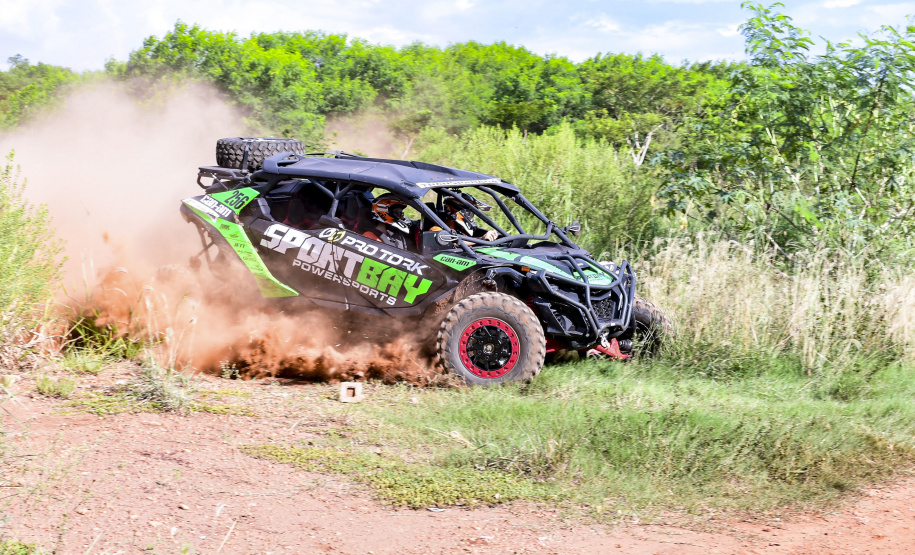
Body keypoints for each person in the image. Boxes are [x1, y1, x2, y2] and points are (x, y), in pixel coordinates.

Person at [430, 192, 498, 241]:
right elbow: (455, 243)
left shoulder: (460, 230)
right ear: (453, 211)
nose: (470, 217)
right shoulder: (436, 230)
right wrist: (482, 238)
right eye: (469, 213)